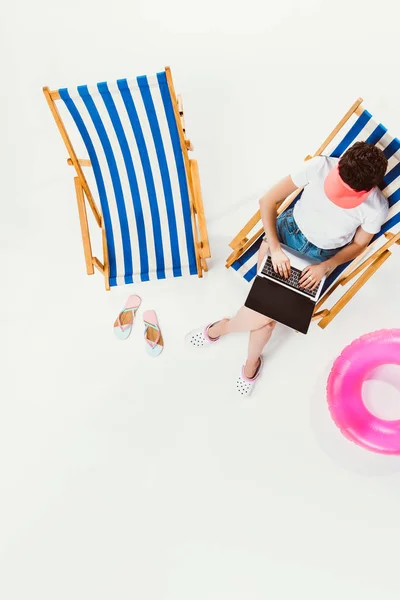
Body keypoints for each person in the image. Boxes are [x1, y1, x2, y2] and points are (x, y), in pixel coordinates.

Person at [186, 141, 389, 396]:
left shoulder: (375, 207)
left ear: (366, 190)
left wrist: (325, 267)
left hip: (317, 261)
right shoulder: (319, 166)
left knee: (264, 316)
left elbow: (360, 243)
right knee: (267, 318)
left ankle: (222, 330)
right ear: (339, 164)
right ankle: (247, 360)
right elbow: (267, 200)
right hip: (283, 236)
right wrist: (275, 248)